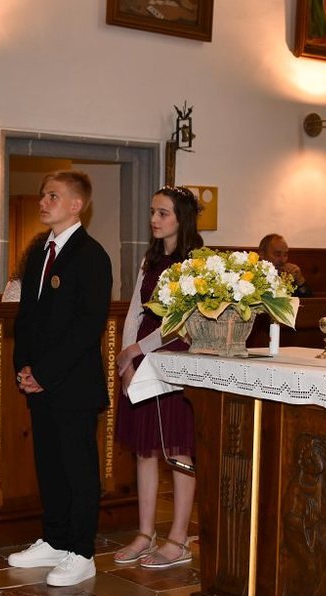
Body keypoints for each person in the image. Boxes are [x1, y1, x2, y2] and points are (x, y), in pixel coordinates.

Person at [6, 171, 112, 587]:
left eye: (53, 196)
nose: (43, 202)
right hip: (39, 382)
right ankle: (55, 538)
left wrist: (46, 373)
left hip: (73, 384)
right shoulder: (39, 252)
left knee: (78, 469)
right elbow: (28, 317)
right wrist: (23, 366)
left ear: (76, 205)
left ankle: (81, 552)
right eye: (42, 195)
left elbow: (87, 327)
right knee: (49, 465)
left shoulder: (91, 255)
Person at [113, 186, 201, 570]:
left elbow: (181, 323)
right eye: (152, 211)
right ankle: (145, 533)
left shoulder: (194, 263)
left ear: (182, 218)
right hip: (141, 358)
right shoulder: (149, 259)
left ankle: (178, 539)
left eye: (163, 213)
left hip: (174, 357)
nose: (154, 219)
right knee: (145, 449)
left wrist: (138, 349)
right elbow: (135, 310)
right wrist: (126, 359)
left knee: (177, 449)